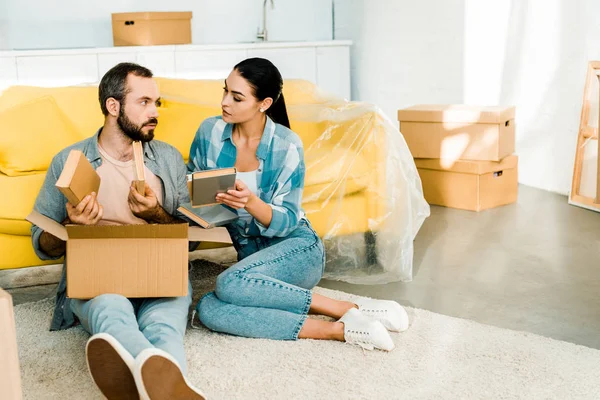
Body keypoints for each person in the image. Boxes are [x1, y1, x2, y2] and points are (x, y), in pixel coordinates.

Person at [188, 57, 409, 352]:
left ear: (264, 103)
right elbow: (195, 185)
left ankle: (343, 306)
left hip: (297, 250)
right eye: (225, 91)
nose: (225, 102)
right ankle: (337, 330)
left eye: (237, 97)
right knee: (208, 310)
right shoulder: (210, 132)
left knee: (228, 285)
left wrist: (251, 202)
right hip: (252, 258)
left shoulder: (286, 144)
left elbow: (288, 220)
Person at [30, 63, 205, 400]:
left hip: (159, 269)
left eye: (157, 103)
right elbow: (41, 244)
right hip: (99, 273)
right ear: (113, 107)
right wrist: (71, 227)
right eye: (144, 103)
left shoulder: (167, 158)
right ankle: (161, 386)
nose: (154, 112)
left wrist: (156, 214)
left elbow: (193, 238)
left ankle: (148, 382)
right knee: (112, 313)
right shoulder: (70, 160)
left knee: (165, 328)